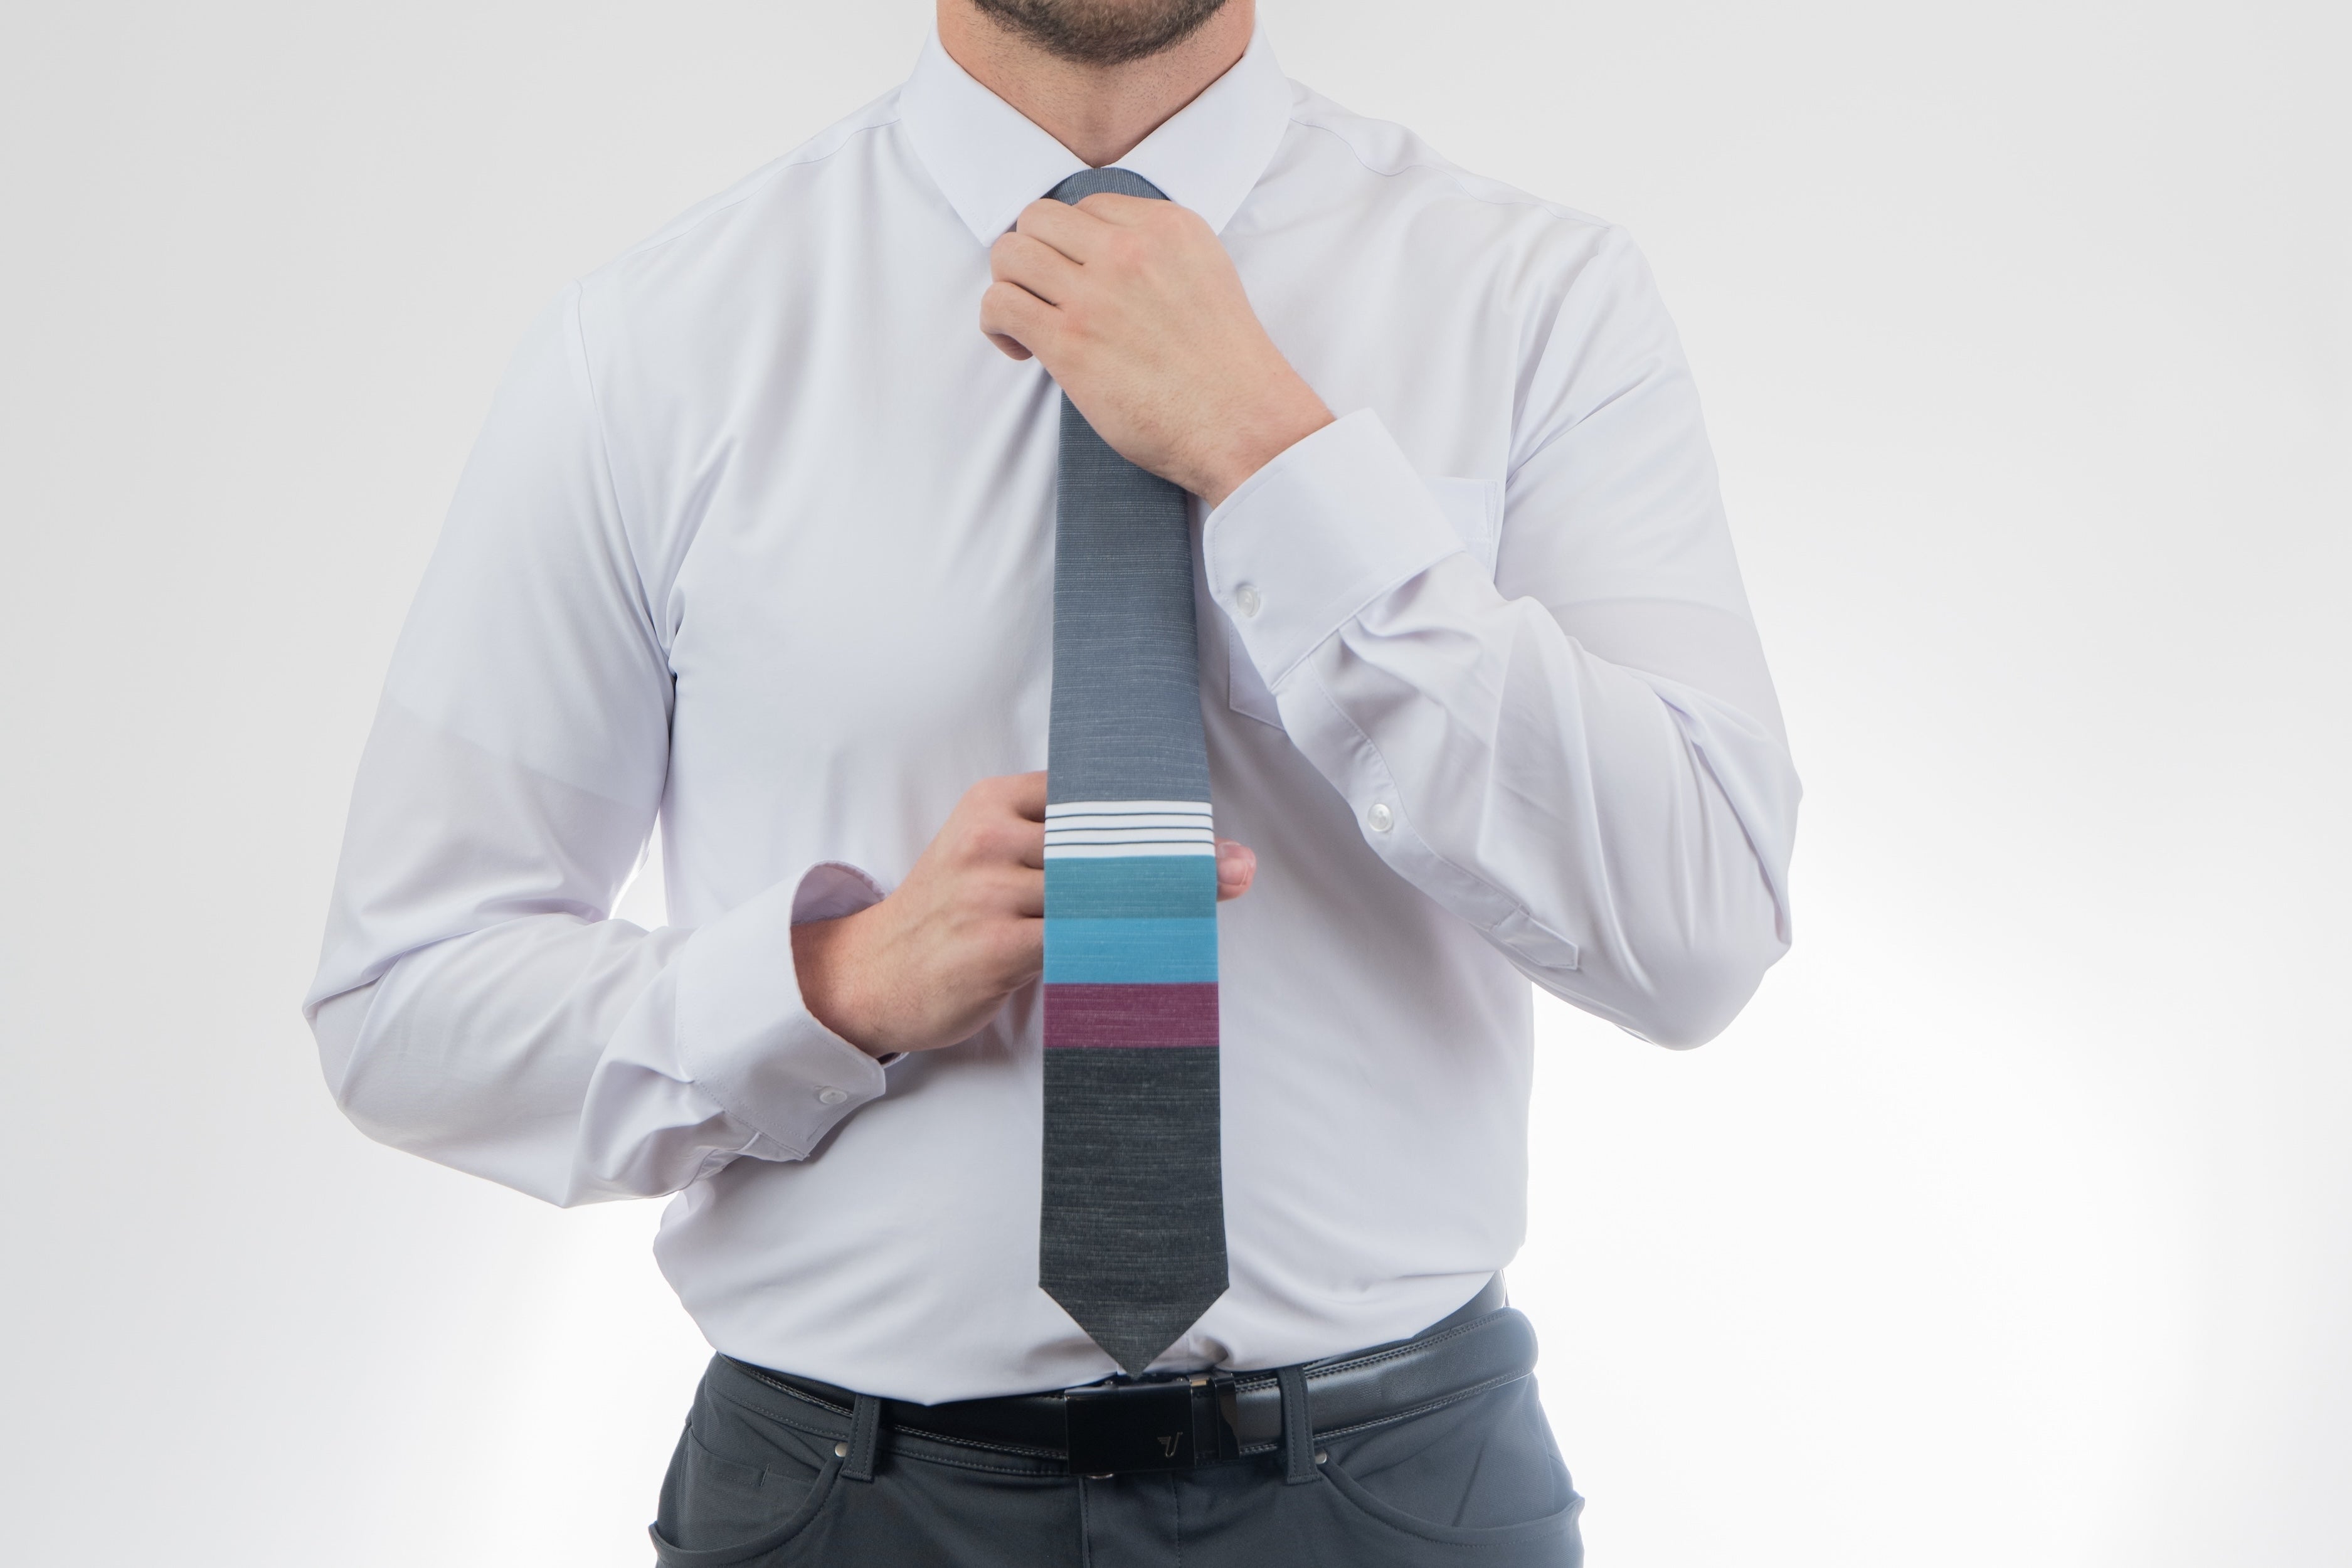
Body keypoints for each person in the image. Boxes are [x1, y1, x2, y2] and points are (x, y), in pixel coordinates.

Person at [304, 0, 1799, 1560]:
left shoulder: (1534, 300)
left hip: (1397, 1492)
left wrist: (1277, 457)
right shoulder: (658, 345)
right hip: (844, 1503)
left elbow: (1700, 928)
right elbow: (406, 998)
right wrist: (832, 983)